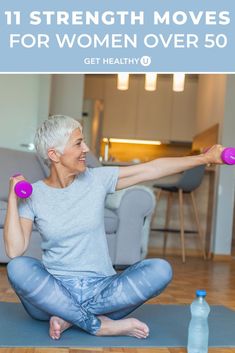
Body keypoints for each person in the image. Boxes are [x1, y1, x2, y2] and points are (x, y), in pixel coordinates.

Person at [4, 115, 224, 340]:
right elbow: (14, 251)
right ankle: (97, 324)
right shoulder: (34, 194)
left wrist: (204, 158)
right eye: (79, 143)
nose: (86, 149)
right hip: (53, 293)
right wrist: (13, 197)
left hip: (102, 289)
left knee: (160, 270)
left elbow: (152, 169)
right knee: (18, 268)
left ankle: (69, 316)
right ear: (54, 154)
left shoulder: (96, 179)